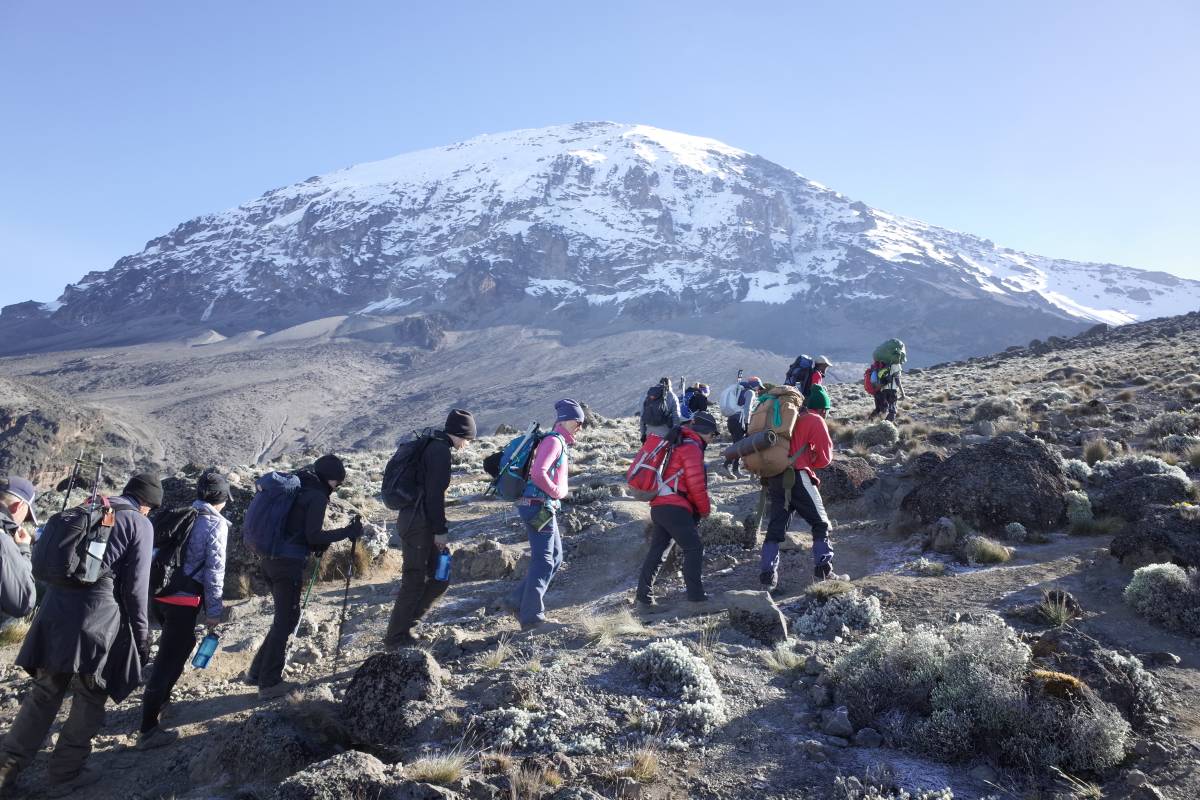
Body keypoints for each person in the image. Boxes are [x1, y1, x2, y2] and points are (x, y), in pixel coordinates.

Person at [0, 473, 160, 797]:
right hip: (95, 621)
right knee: (90, 694)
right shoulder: (139, 524)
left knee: (45, 692)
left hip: (54, 614)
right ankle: (65, 771)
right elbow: (136, 589)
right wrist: (141, 637)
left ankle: (6, 767)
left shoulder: (88, 507)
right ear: (148, 505)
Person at [247, 455, 361, 699]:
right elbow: (314, 536)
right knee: (287, 620)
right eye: (337, 483)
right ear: (331, 479)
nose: (336, 488)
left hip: (269, 559)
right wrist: (348, 532)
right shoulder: (317, 496)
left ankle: (257, 672)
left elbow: (298, 530)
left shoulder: (298, 488)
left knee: (284, 618)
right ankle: (269, 684)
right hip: (287, 564)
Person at [137, 472, 231, 749]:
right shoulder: (215, 524)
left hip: (157, 596)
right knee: (168, 659)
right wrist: (214, 611)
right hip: (184, 600)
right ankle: (148, 729)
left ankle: (161, 702)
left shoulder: (180, 515)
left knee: (179, 646)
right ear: (223, 499)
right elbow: (215, 571)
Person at [384, 409, 476, 649]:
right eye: (469, 438)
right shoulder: (439, 452)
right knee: (415, 579)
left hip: (414, 520)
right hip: (419, 524)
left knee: (439, 577)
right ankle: (396, 637)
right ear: (460, 434)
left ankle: (406, 628)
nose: (468, 444)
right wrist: (440, 530)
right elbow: (434, 496)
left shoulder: (433, 447)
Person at [506, 399, 585, 631]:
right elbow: (539, 473)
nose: (580, 426)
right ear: (565, 420)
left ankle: (516, 601)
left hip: (540, 506)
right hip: (538, 505)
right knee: (544, 560)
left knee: (556, 556)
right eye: (577, 421)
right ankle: (532, 617)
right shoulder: (553, 441)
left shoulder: (556, 440)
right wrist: (558, 492)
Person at [760, 386, 841, 592]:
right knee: (820, 523)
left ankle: (767, 578)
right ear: (822, 409)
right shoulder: (815, 420)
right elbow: (825, 458)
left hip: (775, 476)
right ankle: (824, 570)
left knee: (776, 528)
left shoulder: (786, 419)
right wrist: (810, 458)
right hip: (798, 475)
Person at [636, 412, 718, 607]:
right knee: (694, 548)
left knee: (658, 552)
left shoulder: (678, 443)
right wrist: (705, 510)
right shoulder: (691, 447)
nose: (713, 439)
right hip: (675, 508)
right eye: (713, 435)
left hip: (660, 506)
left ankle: (643, 599)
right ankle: (697, 599)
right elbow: (696, 485)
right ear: (705, 432)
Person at [0, 476, 38, 622]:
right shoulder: (3, 541)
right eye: (26, 515)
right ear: (19, 506)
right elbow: (22, 603)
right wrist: (23, 550)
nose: (23, 522)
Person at [721, 377, 765, 478]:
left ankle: (735, 470)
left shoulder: (741, 391)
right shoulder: (750, 392)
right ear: (755, 385)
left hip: (732, 420)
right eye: (759, 387)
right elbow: (747, 408)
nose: (759, 390)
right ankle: (726, 467)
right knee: (739, 446)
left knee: (737, 445)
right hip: (739, 421)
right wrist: (747, 423)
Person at [640, 377, 681, 443]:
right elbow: (676, 415)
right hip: (666, 435)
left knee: (651, 452)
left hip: (649, 434)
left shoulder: (649, 396)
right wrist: (676, 433)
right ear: (670, 386)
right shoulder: (672, 396)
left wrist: (643, 434)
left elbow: (642, 417)